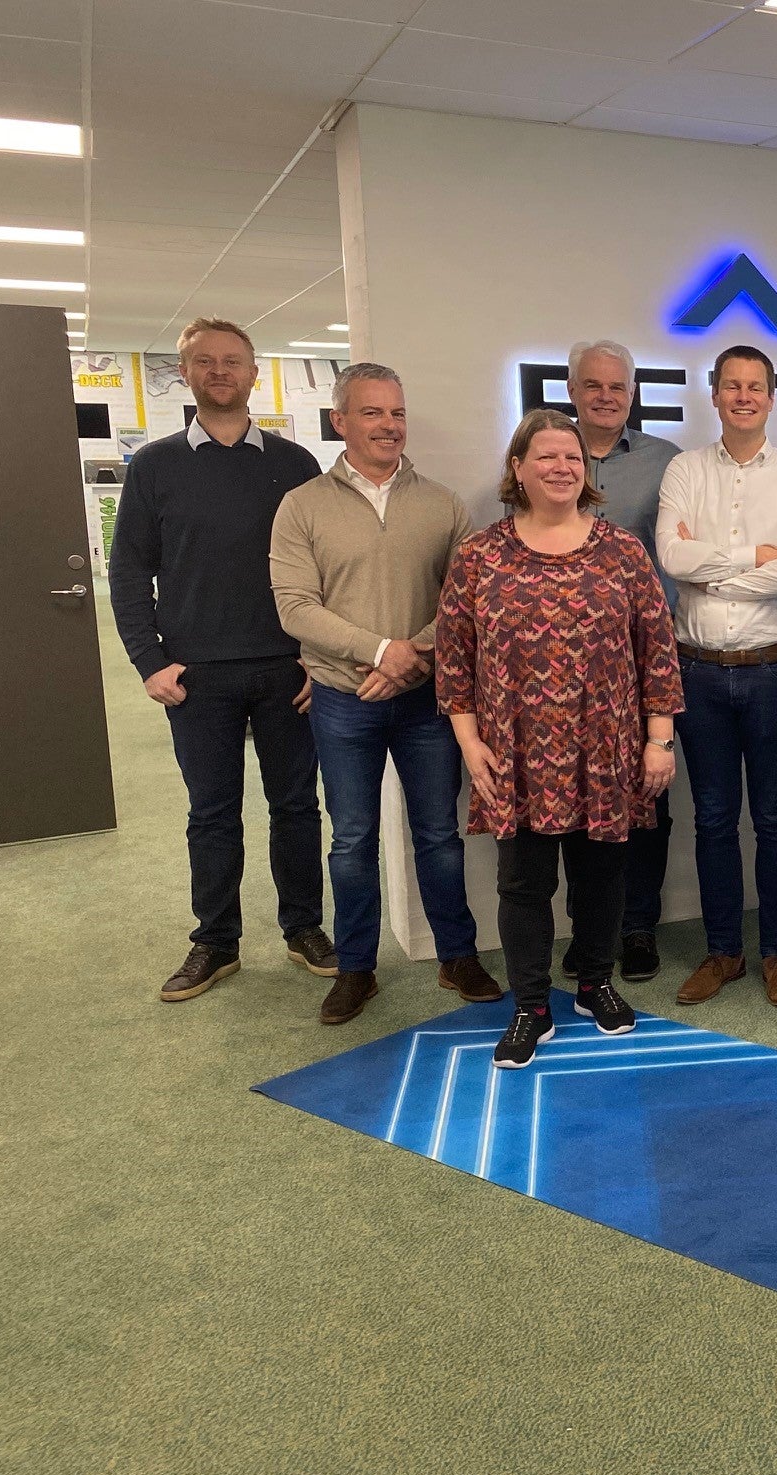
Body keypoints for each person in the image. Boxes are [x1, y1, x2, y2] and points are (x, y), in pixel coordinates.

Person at [433, 410, 683, 1069]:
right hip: (514, 753)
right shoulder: (479, 556)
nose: (561, 467)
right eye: (545, 456)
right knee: (523, 884)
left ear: (585, 470)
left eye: (571, 457)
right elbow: (453, 659)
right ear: (518, 468)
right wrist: (469, 743)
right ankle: (531, 1006)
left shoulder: (623, 552)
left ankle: (595, 983)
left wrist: (659, 739)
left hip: (608, 748)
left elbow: (657, 650)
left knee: (602, 878)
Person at [269, 361, 503, 1026]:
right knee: (352, 841)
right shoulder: (302, 506)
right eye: (372, 413)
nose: (389, 425)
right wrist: (380, 652)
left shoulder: (442, 504)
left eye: (397, 413)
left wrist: (413, 657)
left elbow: (466, 601)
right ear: (340, 421)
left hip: (428, 699)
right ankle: (356, 969)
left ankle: (457, 956)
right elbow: (295, 607)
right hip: (343, 699)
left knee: (439, 835)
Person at [108, 316, 333, 1002]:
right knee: (212, 812)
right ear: (185, 374)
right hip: (196, 675)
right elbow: (128, 572)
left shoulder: (294, 464)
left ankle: (304, 927)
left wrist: (317, 657)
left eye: (232, 360)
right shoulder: (155, 466)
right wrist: (150, 662)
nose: (220, 371)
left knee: (296, 807)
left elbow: (324, 570)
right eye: (205, 361)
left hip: (287, 670)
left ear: (254, 373)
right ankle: (215, 941)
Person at [658, 346, 777, 1011]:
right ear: (715, 395)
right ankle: (723, 950)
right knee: (714, 819)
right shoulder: (685, 469)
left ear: (772, 397)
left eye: (755, 386)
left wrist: (712, 572)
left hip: (775, 669)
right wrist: (756, 555)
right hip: (697, 672)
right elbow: (671, 556)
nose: (744, 396)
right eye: (732, 385)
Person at [561, 339, 682, 982]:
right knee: (575, 800)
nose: (606, 397)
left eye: (618, 387)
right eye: (594, 385)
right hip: (562, 665)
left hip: (643, 659)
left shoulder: (667, 462)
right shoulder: (548, 454)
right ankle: (589, 931)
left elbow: (682, 552)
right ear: (572, 390)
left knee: (646, 797)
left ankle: (637, 929)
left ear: (632, 395)